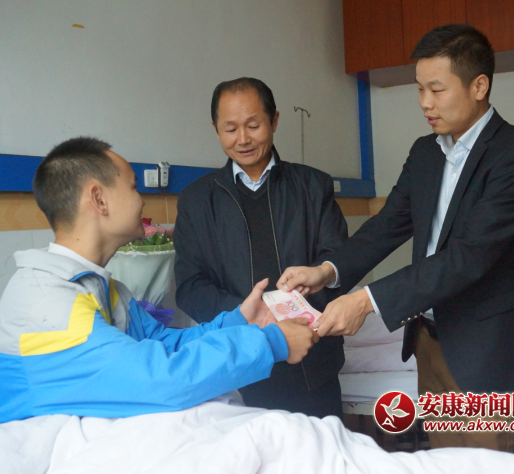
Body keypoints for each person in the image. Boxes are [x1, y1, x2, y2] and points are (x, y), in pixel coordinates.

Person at [277, 24, 514, 450]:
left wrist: (367, 301)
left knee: (489, 467)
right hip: (428, 342)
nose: (425, 102)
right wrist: (327, 271)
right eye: (419, 89)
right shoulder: (426, 151)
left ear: (479, 86)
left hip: (488, 350)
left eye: (436, 89)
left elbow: (468, 257)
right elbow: (387, 225)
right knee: (443, 463)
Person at [0, 137, 318, 424]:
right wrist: (271, 343)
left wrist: (240, 321)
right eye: (133, 187)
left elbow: (163, 345)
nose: (142, 201)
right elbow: (157, 379)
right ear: (98, 199)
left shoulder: (107, 290)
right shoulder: (48, 303)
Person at [174, 78, 348, 418]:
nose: (243, 139)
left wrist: (297, 317)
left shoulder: (313, 186)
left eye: (253, 126)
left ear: (274, 120)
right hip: (236, 361)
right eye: (230, 129)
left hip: (312, 359)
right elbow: (190, 286)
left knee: (319, 450)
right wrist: (249, 319)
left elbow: (339, 263)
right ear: (216, 129)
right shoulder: (196, 200)